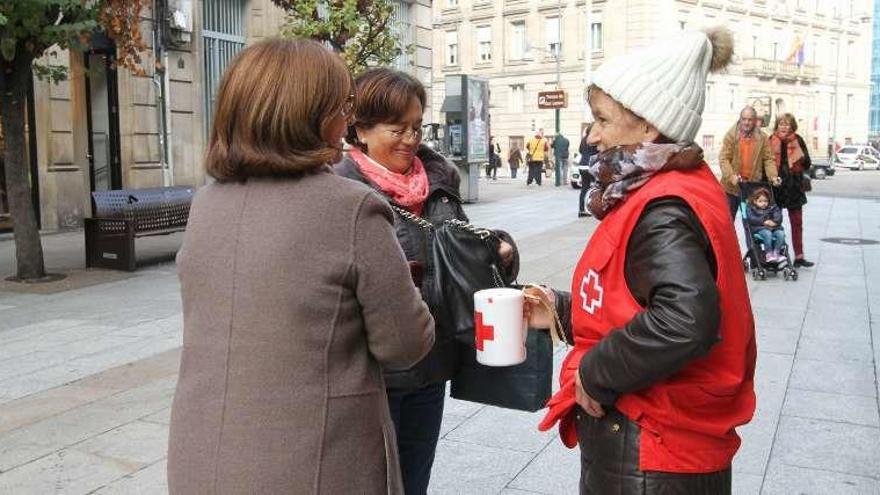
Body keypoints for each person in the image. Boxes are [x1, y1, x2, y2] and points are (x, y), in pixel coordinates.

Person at [168, 39, 434, 494]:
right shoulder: (351, 208)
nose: (347, 119)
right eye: (343, 105)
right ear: (316, 115)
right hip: (314, 462)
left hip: (203, 454)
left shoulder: (207, 203)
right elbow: (405, 344)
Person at [525, 27, 756, 494]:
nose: (592, 135)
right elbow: (638, 298)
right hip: (663, 446)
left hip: (652, 447)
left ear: (649, 125)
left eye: (603, 119)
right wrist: (565, 311)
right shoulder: (671, 185)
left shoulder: (662, 204)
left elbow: (684, 320)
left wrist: (594, 371)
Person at [335, 68, 518, 495]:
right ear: (360, 130)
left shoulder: (437, 183)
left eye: (417, 127)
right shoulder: (341, 192)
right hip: (372, 375)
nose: (410, 139)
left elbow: (459, 251)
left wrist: (499, 252)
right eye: (397, 129)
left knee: (415, 482)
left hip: (431, 365)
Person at [719, 106, 780, 219]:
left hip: (752, 187)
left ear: (755, 120)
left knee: (752, 224)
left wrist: (773, 177)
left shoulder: (762, 138)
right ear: (740, 119)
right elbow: (724, 158)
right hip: (731, 188)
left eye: (750, 119)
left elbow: (768, 159)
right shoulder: (731, 136)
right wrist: (731, 176)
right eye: (744, 119)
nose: (746, 122)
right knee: (727, 221)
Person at [770, 113, 814, 268]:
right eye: (781, 123)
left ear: (792, 126)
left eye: (787, 124)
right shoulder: (771, 140)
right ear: (777, 126)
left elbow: (808, 163)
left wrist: (799, 156)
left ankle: (799, 256)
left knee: (797, 223)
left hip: (794, 188)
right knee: (774, 224)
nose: (783, 126)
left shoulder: (798, 140)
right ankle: (775, 255)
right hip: (776, 189)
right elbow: (766, 164)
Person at [747, 187, 786, 262]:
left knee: (781, 234)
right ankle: (768, 254)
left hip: (774, 227)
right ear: (755, 201)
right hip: (760, 228)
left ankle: (776, 253)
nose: (763, 203)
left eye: (765, 201)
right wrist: (763, 221)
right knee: (767, 234)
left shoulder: (772, 207)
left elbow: (778, 216)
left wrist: (774, 222)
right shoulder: (751, 208)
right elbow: (751, 218)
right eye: (760, 201)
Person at [578, 125, 597, 218]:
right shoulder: (593, 138)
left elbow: (580, 150)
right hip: (590, 165)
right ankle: (596, 207)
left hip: (582, 165)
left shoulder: (583, 139)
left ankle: (581, 210)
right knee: (598, 186)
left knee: (584, 188)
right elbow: (597, 150)